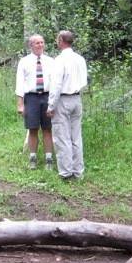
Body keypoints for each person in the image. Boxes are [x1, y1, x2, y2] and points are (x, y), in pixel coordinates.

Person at [46, 30, 88, 180]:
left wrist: (51, 106)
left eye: (58, 39)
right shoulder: (80, 59)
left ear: (62, 40)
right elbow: (84, 81)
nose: (57, 41)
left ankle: (66, 172)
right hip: (77, 99)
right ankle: (78, 171)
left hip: (63, 99)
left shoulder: (59, 60)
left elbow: (56, 85)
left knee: (62, 136)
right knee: (76, 136)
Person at [15, 34, 55, 170]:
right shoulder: (24, 61)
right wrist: (20, 104)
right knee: (32, 128)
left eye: (42, 42)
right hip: (31, 97)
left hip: (47, 96)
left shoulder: (50, 61)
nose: (40, 45)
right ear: (31, 45)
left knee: (47, 128)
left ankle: (49, 159)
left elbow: (55, 83)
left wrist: (54, 103)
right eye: (37, 43)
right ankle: (33, 157)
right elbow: (19, 83)